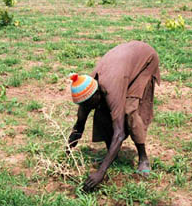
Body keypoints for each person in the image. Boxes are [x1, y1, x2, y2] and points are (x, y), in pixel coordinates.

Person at [67, 41, 160, 191]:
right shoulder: (86, 93)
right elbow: (79, 125)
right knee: (102, 113)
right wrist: (67, 153)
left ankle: (143, 157)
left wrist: (100, 172)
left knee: (130, 112)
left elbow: (119, 133)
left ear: (98, 94)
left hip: (145, 60)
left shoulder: (110, 88)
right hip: (124, 63)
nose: (87, 108)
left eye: (90, 104)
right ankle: (112, 153)